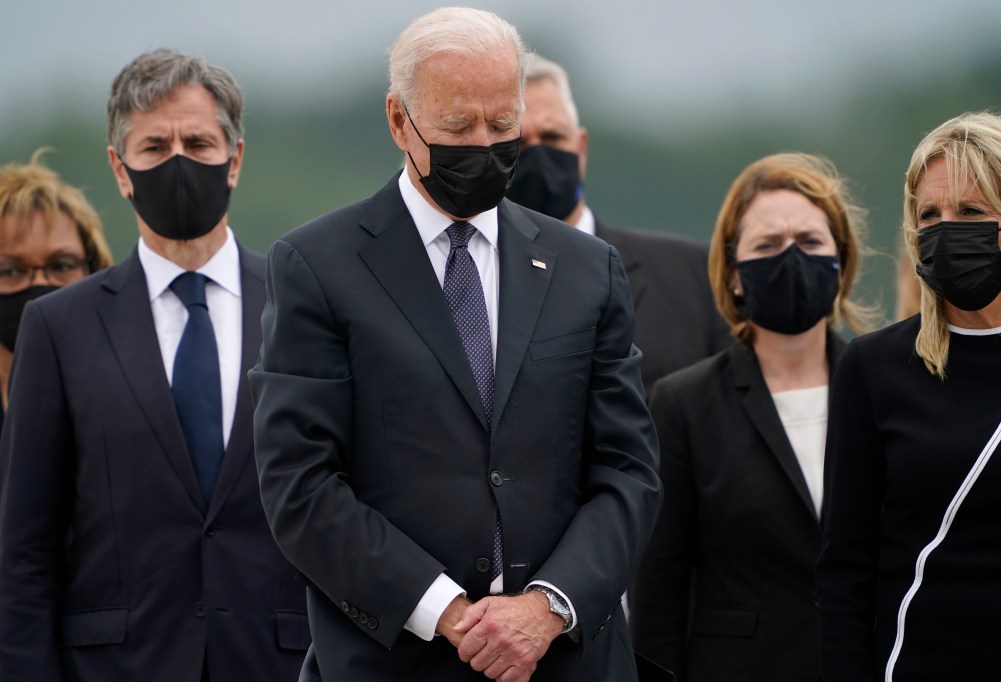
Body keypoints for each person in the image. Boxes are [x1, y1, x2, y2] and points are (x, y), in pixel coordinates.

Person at [249, 8, 661, 682]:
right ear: (398, 120)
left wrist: (547, 609)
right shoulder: (318, 266)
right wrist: (445, 611)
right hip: (398, 660)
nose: (483, 144)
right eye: (457, 126)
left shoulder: (587, 269)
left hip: (565, 661)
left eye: (502, 125)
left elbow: (629, 472)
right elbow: (300, 484)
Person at [0, 49, 310, 681]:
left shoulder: (307, 309)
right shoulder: (60, 326)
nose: (177, 161)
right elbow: (26, 550)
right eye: (154, 146)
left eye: (198, 142)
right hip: (117, 666)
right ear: (119, 168)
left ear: (235, 158)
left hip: (278, 662)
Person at [630, 153, 873, 680]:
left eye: (810, 242)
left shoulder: (886, 387)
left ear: (841, 261)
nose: (791, 258)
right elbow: (658, 592)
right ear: (735, 274)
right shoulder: (684, 404)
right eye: (767, 245)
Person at [817, 112, 1001, 681]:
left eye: (972, 212)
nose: (945, 228)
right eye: (929, 214)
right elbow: (844, 569)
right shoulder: (874, 366)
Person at [506, 55, 730, 394]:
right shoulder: (469, 279)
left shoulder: (693, 276)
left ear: (581, 147)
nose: (539, 155)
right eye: (519, 142)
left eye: (553, 137)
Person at [0, 149, 113, 419]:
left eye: (61, 266)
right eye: (11, 270)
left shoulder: (124, 404)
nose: (40, 285)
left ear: (93, 269)